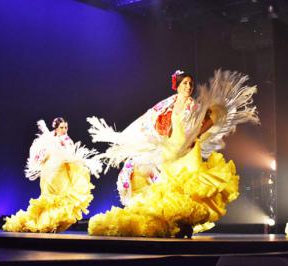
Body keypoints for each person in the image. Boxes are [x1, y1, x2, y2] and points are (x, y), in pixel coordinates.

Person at [86, 69, 259, 237]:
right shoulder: (167, 104)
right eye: (185, 83)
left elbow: (210, 119)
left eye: (190, 84)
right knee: (162, 182)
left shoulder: (195, 106)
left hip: (188, 149)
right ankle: (173, 223)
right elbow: (149, 119)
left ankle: (185, 223)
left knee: (189, 183)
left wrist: (195, 135)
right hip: (170, 148)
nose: (188, 87)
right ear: (177, 85)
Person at [3, 118, 101, 233]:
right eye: (61, 127)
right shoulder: (48, 139)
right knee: (49, 197)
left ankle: (51, 223)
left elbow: (70, 154)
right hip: (49, 171)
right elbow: (39, 155)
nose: (64, 130)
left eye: (66, 127)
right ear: (56, 128)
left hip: (60, 171)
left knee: (60, 196)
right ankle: (47, 223)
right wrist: (42, 158)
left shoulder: (66, 139)